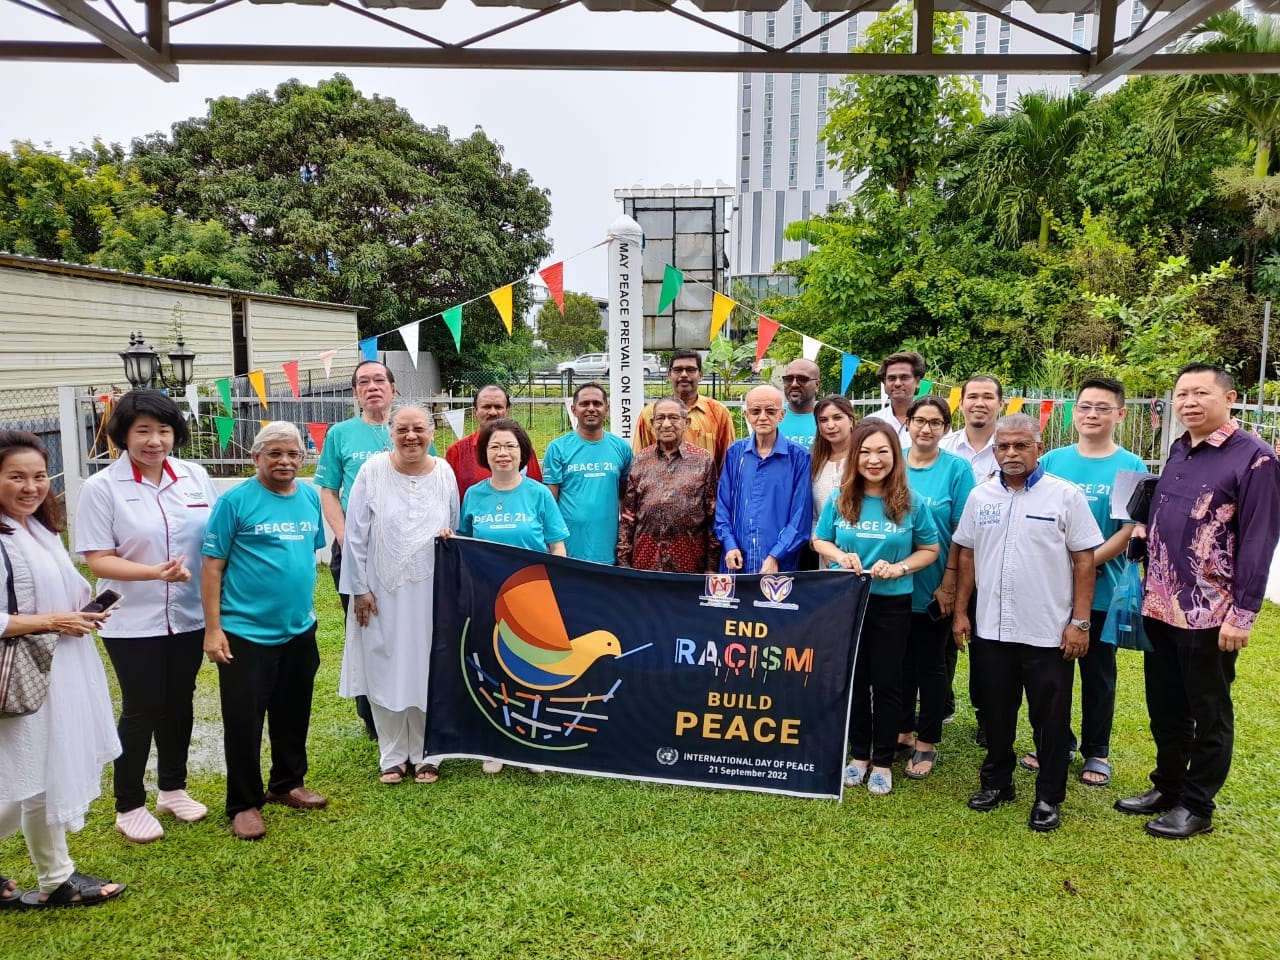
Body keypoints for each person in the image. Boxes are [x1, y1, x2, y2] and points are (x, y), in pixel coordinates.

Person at [1117, 364, 1280, 839]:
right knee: (1165, 705)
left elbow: (1259, 540)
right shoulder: (1180, 447)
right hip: (1160, 603)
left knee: (1209, 712)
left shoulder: (1256, 459)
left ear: (1229, 398)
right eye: (1182, 393)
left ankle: (1196, 805)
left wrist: (1242, 615)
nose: (1189, 402)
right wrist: (1143, 532)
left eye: (1201, 393)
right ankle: (1167, 786)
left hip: (1211, 612)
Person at [75, 390, 219, 844]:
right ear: (123, 435)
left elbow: (214, 540)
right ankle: (129, 804)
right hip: (131, 620)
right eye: (143, 431)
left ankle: (173, 789)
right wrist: (155, 572)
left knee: (179, 701)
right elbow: (98, 558)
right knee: (142, 706)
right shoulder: (102, 488)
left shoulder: (195, 477)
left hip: (189, 615)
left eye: (163, 430)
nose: (154, 441)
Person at [952, 414, 1102, 833]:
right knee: (996, 713)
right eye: (1003, 447)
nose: (1011, 454)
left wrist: (1080, 622)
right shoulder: (980, 496)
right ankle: (997, 782)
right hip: (991, 629)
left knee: (1049, 720)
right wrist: (961, 611)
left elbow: (1084, 561)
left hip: (1047, 632)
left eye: (1021, 446)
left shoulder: (1065, 496)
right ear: (995, 451)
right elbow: (967, 555)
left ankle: (1048, 796)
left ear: (1039, 449)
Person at [0, 431, 125, 908]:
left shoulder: (38, 529)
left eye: (38, 476)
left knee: (32, 774)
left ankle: (56, 877)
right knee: (32, 774)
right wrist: (54, 621)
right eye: (16, 477)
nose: (31, 487)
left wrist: (83, 613)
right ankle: (57, 879)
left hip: (60, 666)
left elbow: (59, 593)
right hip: (23, 674)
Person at [202, 423, 327, 841]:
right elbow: (212, 567)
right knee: (244, 721)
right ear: (256, 457)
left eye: (293, 454)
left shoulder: (309, 497)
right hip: (245, 632)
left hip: (299, 629)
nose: (285, 461)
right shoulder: (235, 502)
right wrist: (214, 629)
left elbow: (304, 556)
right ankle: (243, 803)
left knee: (293, 711)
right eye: (274, 453)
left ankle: (287, 783)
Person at [813, 419, 940, 797]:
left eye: (882, 451)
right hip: (848, 601)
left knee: (887, 682)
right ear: (855, 456)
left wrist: (900, 567)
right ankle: (859, 755)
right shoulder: (841, 498)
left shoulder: (911, 501)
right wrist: (840, 557)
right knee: (855, 679)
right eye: (865, 452)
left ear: (894, 456)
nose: (874, 460)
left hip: (891, 604)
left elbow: (930, 549)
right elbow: (820, 540)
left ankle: (883, 761)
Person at [1032, 378, 1146, 788]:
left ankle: (1096, 751)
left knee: (1098, 674)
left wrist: (1083, 563)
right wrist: (1059, 566)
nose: (1092, 414)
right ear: (1074, 412)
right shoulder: (1053, 461)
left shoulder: (1130, 466)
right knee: (1050, 674)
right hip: (1051, 588)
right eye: (1084, 407)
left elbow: (1127, 530)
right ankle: (1054, 742)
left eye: (1102, 407)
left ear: (1120, 414)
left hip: (1102, 588)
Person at [339, 404, 459, 786]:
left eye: (419, 429)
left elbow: (453, 527)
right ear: (390, 433)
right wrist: (359, 589)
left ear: (432, 433)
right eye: (402, 429)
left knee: (427, 664)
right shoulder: (372, 470)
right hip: (380, 590)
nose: (411, 436)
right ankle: (392, 755)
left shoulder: (445, 472)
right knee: (383, 662)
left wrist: (449, 537)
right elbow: (355, 535)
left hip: (430, 590)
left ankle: (427, 753)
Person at [455, 418, 568, 774]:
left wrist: (555, 586)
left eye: (510, 446)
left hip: (532, 595)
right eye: (495, 447)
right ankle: (496, 743)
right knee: (491, 668)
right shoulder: (473, 495)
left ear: (522, 453)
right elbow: (463, 544)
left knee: (533, 670)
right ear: (484, 454)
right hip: (487, 596)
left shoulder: (538, 494)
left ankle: (533, 741)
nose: (503, 453)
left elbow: (557, 546)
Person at [315, 359, 403, 740]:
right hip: (354, 548)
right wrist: (344, 538)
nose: (372, 387)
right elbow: (329, 491)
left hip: (401, 549)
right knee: (363, 627)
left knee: (401, 626)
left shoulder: (409, 427)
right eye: (363, 382)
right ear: (355, 393)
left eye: (379, 380)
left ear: (393, 388)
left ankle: (404, 704)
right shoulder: (340, 434)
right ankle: (371, 716)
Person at [899, 397, 975, 780]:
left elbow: (963, 535)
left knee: (931, 665)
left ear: (946, 428)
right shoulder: (893, 463)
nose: (926, 428)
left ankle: (927, 741)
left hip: (934, 585)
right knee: (898, 665)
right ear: (908, 423)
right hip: (893, 584)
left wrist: (949, 583)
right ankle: (902, 731)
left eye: (935, 422)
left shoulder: (957, 470)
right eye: (919, 421)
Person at [715, 385, 812, 574]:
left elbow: (800, 517)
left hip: (779, 567)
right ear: (746, 415)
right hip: (736, 562)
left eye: (770, 411)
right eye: (755, 411)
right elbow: (723, 506)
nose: (762, 417)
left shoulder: (799, 457)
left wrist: (776, 555)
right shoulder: (735, 453)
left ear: (781, 415)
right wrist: (729, 544)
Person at [616, 396, 720, 572]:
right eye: (660, 418)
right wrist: (624, 563)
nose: (666, 424)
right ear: (652, 423)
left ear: (686, 423)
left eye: (673, 417)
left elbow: (713, 517)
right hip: (645, 563)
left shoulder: (703, 460)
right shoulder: (640, 460)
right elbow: (628, 517)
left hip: (690, 564)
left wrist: (712, 566)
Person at [544, 383, 632, 564]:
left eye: (597, 403)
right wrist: (552, 546)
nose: (591, 408)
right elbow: (549, 503)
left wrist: (625, 543)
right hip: (568, 551)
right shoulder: (558, 448)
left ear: (606, 409)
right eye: (584, 404)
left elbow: (626, 499)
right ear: (574, 410)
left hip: (609, 550)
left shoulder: (622, 448)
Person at [632, 348, 736, 471]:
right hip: (659, 482)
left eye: (691, 370)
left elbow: (729, 462)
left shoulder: (718, 412)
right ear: (669, 375)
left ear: (700, 375)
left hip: (707, 482)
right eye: (678, 370)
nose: (684, 375)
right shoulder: (650, 413)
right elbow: (639, 461)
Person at [445, 384, 543, 499]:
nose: (492, 412)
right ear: (475, 412)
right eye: (486, 407)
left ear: (507, 411)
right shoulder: (457, 452)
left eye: (498, 407)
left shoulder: (521, 449)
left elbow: (535, 492)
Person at [807, 396, 857, 571]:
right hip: (826, 558)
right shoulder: (814, 463)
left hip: (862, 552)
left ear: (851, 420)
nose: (830, 425)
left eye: (837, 418)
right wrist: (825, 550)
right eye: (823, 420)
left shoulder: (864, 459)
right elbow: (813, 515)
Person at [938, 375, 1002, 483]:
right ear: (961, 404)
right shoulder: (941, 447)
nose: (980, 404)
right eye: (972, 397)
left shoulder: (1013, 451)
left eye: (988, 397)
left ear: (1001, 404)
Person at [866, 351, 925, 448]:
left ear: (917, 381)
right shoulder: (871, 423)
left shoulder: (932, 422)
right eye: (891, 378)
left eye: (904, 377)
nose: (897, 383)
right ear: (884, 382)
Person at [778, 359, 821, 448]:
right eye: (789, 379)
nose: (794, 384)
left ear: (817, 385)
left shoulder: (829, 419)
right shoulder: (772, 416)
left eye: (802, 379)